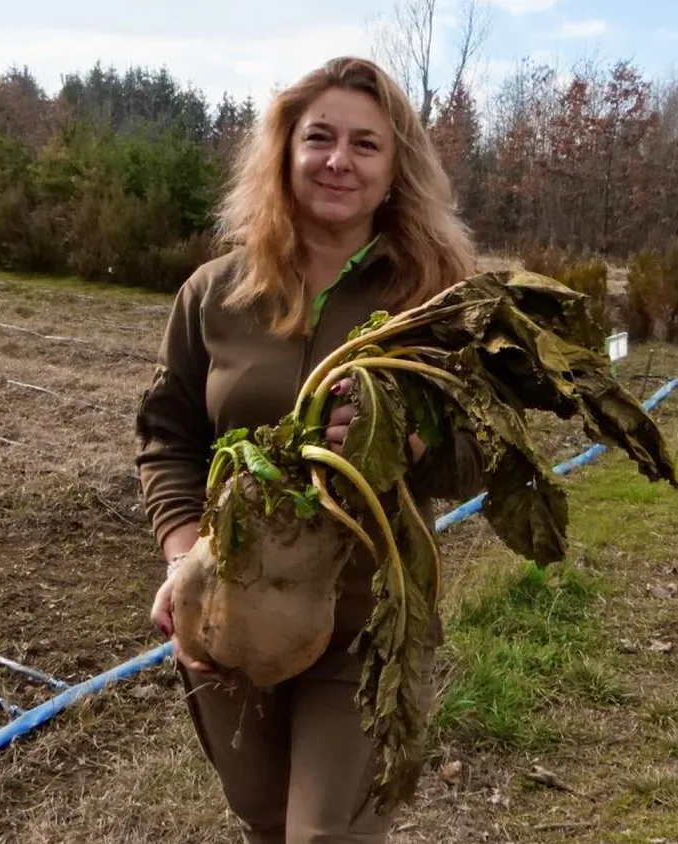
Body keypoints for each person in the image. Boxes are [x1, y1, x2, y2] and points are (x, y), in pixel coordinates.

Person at [134, 56, 485, 844]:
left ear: (396, 168)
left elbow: (480, 453)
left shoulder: (433, 301)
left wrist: (411, 439)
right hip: (227, 606)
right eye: (319, 137)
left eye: (366, 144)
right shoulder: (215, 293)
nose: (338, 160)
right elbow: (169, 435)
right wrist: (182, 558)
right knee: (263, 819)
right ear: (285, 153)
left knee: (324, 833)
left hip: (369, 615)